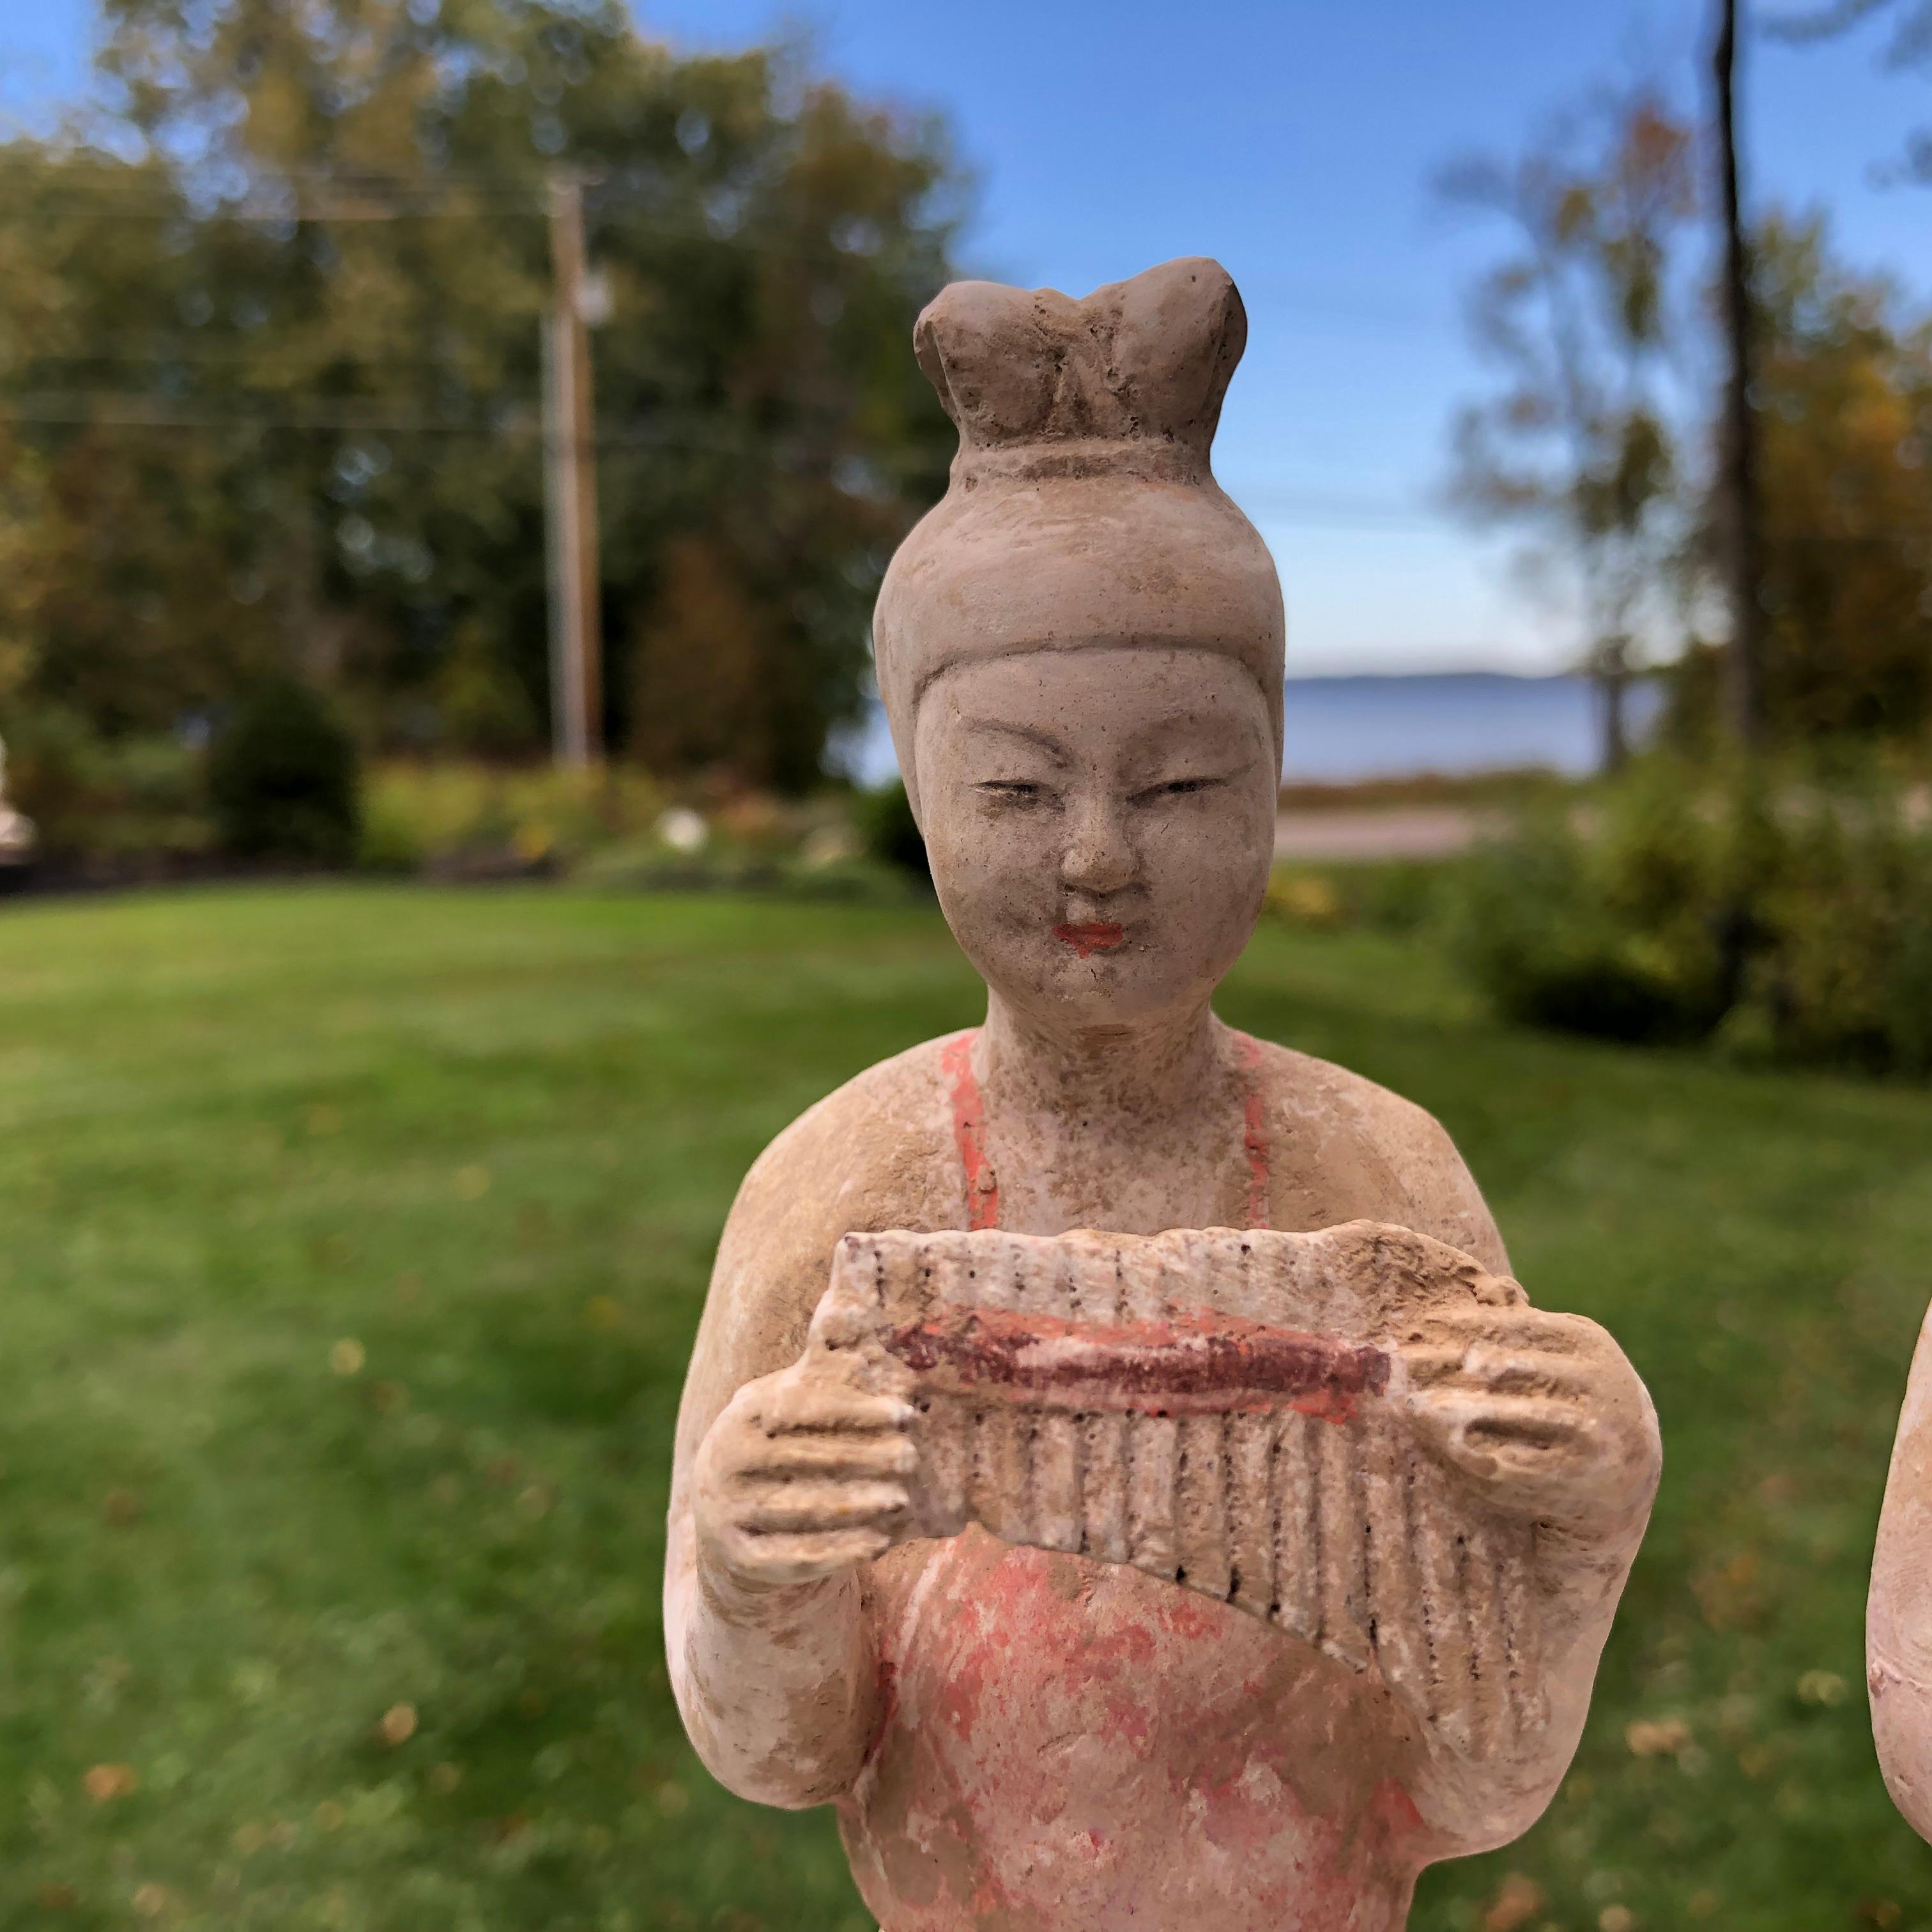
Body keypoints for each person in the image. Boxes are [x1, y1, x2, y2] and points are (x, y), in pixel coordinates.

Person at [664, 258, 1660, 1931]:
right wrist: (748, 1577)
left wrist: (1578, 1533)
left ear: (1271, 786)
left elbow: (1466, 1793)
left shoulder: (1383, 1169)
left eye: (1184, 780)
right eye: (1016, 787)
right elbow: (786, 1758)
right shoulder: (834, 1187)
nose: (1101, 856)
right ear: (922, 801)